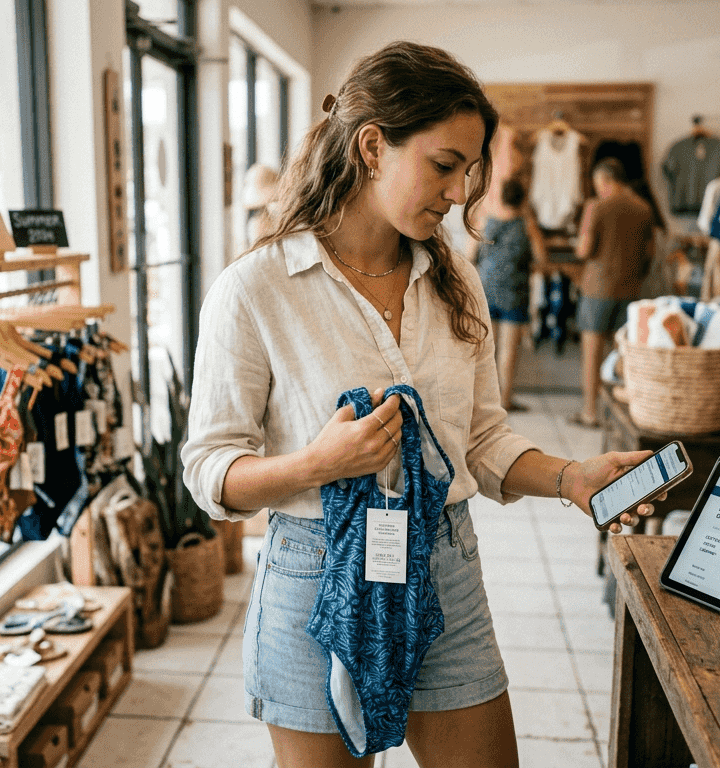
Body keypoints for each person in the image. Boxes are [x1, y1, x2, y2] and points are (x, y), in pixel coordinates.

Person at [181, 41, 658, 768]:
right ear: (373, 146)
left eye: (469, 170)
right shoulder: (257, 288)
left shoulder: (456, 280)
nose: (460, 191)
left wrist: (571, 478)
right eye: (444, 165)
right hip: (315, 575)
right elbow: (210, 473)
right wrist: (317, 463)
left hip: (444, 564)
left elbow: (481, 440)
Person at [569, 157, 655, 427]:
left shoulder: (596, 207)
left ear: (605, 180)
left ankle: (590, 412)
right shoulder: (644, 209)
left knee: (592, 353)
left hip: (597, 289)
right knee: (623, 355)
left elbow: (584, 250)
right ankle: (618, 414)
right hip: (630, 289)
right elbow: (649, 253)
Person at [476, 177, 544, 412]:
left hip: (486, 289)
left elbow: (469, 253)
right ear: (523, 199)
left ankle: (486, 402)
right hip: (514, 292)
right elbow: (542, 258)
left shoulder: (486, 221)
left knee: (487, 350)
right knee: (508, 351)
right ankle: (505, 400)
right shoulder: (526, 225)